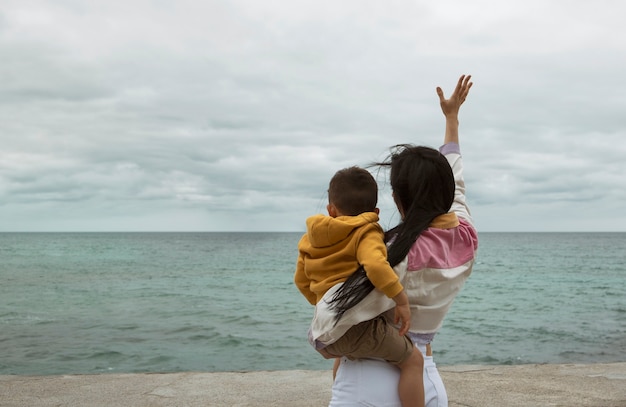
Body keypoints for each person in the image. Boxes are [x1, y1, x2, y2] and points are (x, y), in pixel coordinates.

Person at [325, 74, 478, 407]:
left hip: (370, 381)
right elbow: (456, 176)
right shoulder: (466, 236)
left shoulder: (391, 254)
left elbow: (343, 314)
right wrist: (452, 119)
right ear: (447, 193)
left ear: (396, 199)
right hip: (427, 380)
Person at [294, 166, 425, 407]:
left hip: (326, 334)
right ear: (375, 211)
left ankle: (342, 398)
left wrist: (324, 304)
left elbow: (301, 281)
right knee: (414, 361)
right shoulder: (367, 231)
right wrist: (401, 300)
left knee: (343, 358)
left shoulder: (309, 238)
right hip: (359, 328)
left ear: (331, 210)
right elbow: (375, 266)